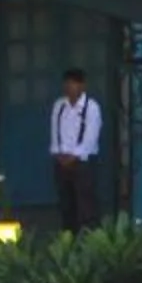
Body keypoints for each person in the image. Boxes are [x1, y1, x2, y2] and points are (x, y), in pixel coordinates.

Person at [50, 68, 103, 233]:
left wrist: (74, 157)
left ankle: (88, 241)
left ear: (82, 86)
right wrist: (58, 154)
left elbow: (90, 137)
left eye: (73, 84)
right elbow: (54, 131)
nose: (69, 88)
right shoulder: (59, 105)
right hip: (61, 161)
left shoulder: (91, 107)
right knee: (66, 205)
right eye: (66, 84)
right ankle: (68, 240)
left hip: (82, 162)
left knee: (86, 205)